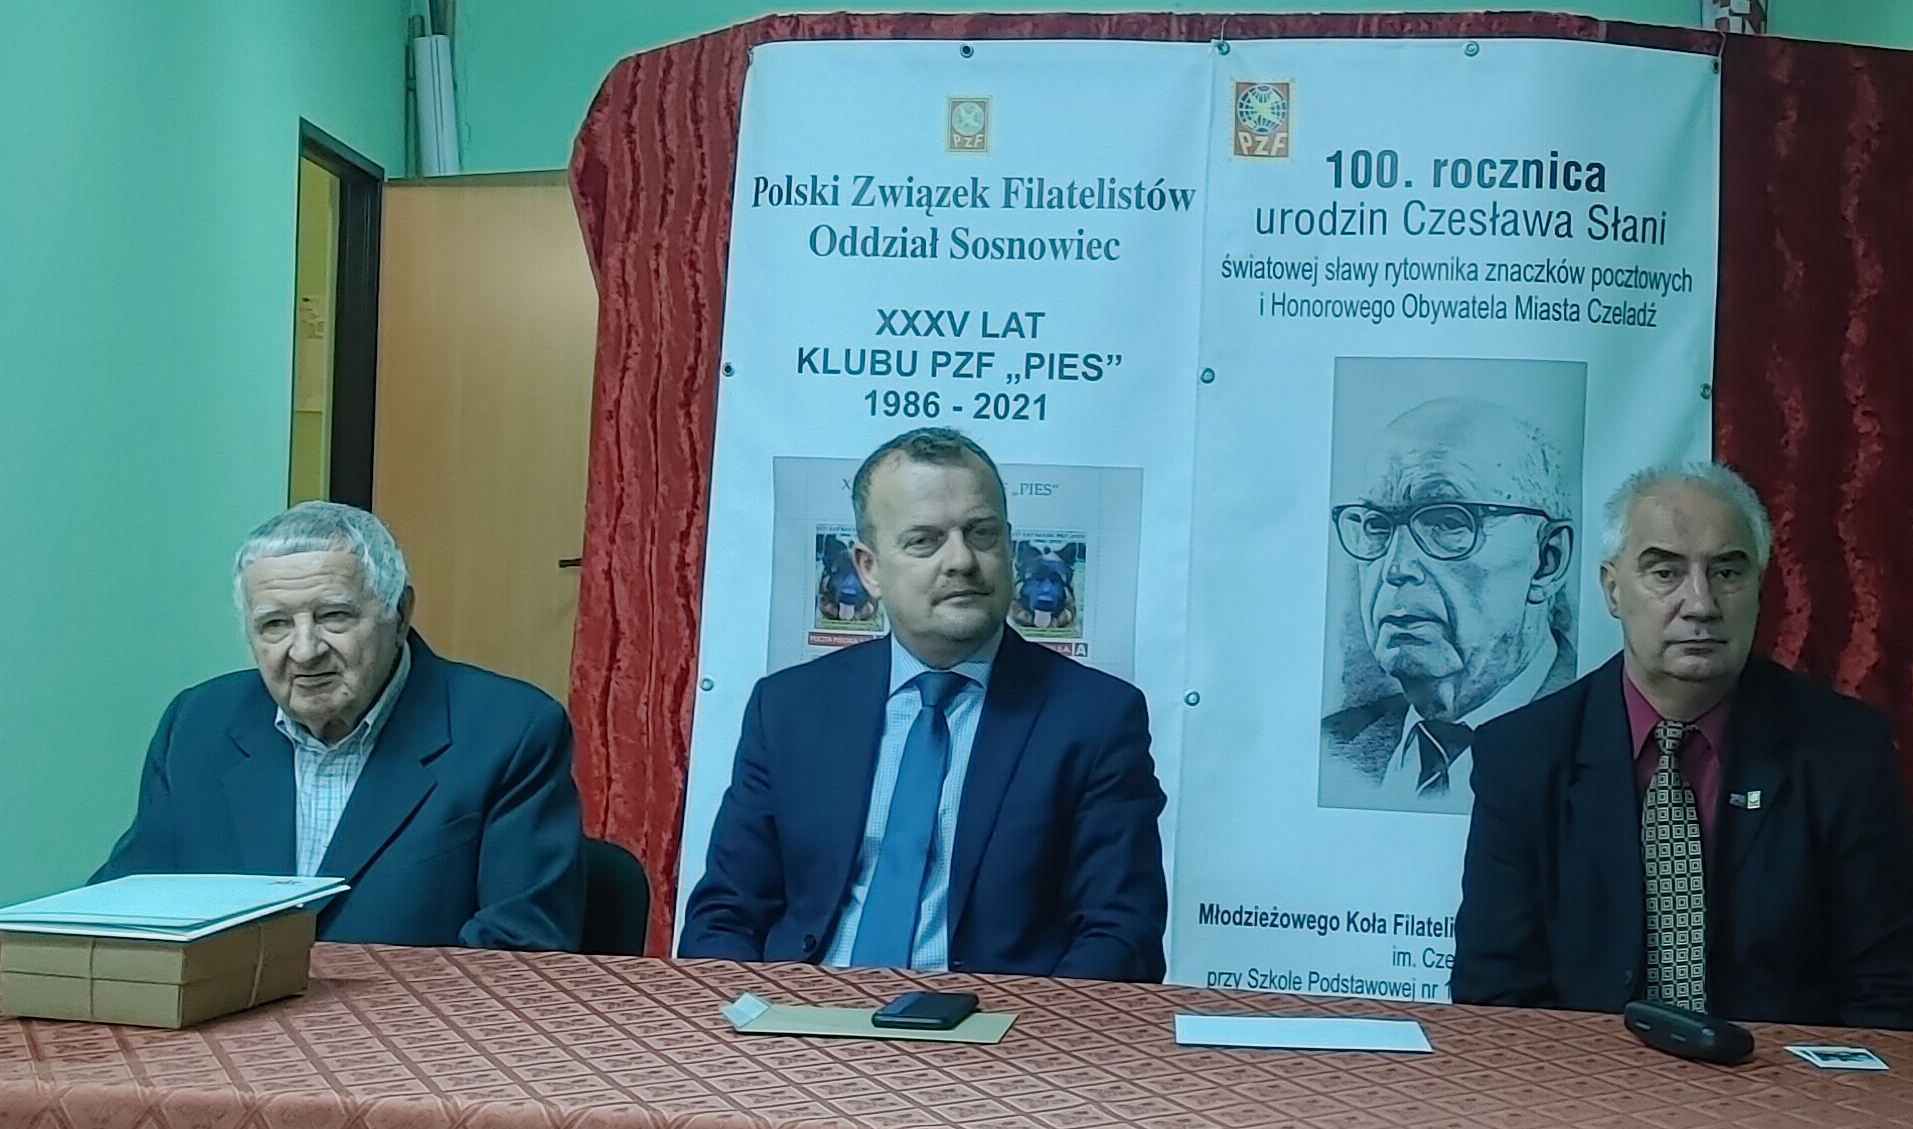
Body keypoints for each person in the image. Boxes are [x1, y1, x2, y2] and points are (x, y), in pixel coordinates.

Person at [1452, 461, 1913, 1030]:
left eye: (1727, 572)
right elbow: (1495, 998)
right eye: (1665, 572)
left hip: (1782, 1080)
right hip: (1587, 1080)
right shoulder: (1522, 757)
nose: (1701, 603)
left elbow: (1899, 991)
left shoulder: (1842, 752)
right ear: (1613, 589)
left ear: (1759, 587)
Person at [681, 427, 1166, 978]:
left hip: (995, 1020)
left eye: (981, 533)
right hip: (804, 1010)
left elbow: (1121, 934)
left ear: (1009, 547)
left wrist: (1023, 1028)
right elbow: (725, 915)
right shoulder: (790, 708)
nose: (961, 560)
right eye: (924, 540)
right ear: (869, 569)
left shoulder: (1096, 718)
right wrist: (757, 1017)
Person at [94, 501, 586, 949]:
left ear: (399, 613)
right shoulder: (198, 724)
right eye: (275, 624)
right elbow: (126, 909)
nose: (305, 650)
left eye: (333, 616)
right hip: (225, 1015)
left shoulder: (511, 730)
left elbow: (519, 947)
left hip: (415, 1018)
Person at [1320, 397, 1581, 812]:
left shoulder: (1604, 744)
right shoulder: (1336, 748)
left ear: (1547, 561)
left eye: (1448, 522)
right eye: (1376, 526)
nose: (1396, 568)